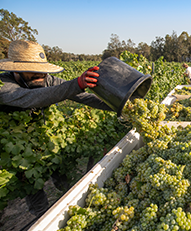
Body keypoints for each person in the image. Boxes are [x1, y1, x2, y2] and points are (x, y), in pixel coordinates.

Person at [0, 40, 114, 216]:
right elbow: (31, 98)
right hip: (16, 155)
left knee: (64, 180)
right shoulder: (4, 86)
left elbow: (84, 96)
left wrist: (120, 105)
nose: (40, 75)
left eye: (42, 70)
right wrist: (76, 84)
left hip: (43, 141)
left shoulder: (46, 79)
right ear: (16, 70)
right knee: (35, 194)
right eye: (33, 71)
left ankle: (71, 206)